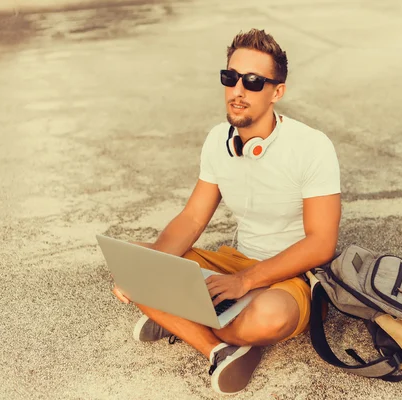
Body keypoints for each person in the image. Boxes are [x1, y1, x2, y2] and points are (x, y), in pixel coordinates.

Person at [112, 28, 341, 395]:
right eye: (230, 77)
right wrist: (144, 270)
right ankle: (216, 349)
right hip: (234, 263)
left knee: (268, 318)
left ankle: (177, 319)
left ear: (276, 92)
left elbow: (321, 243)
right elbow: (191, 220)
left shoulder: (312, 147)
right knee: (134, 257)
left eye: (253, 82)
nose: (238, 90)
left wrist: (246, 281)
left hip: (292, 277)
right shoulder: (217, 141)